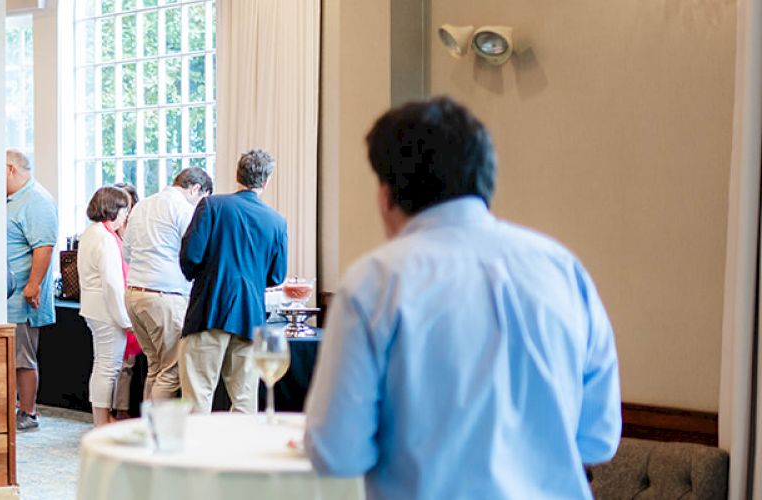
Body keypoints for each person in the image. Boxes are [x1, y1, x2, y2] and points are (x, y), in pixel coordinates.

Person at [306, 98, 620, 499]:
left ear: (386, 196)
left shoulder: (375, 282)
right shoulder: (562, 269)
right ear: (485, 180)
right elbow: (600, 438)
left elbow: (338, 454)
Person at [177, 150, 288, 413]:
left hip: (209, 309)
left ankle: (196, 453)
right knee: (245, 399)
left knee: (197, 395)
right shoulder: (277, 221)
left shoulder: (212, 206)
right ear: (266, 181)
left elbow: (190, 256)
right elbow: (276, 276)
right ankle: (240, 452)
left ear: (237, 174)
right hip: (250, 316)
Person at [121, 168, 212, 403]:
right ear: (194, 189)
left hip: (134, 293)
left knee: (155, 366)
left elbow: (127, 253)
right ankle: (158, 432)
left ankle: (147, 428)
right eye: (203, 198)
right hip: (164, 296)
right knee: (172, 370)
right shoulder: (183, 209)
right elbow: (195, 253)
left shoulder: (142, 205)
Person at [5, 148, 60, 431]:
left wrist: (33, 285)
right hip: (5, 295)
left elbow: (43, 247)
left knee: (22, 356)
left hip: (23, 296)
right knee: (9, 355)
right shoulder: (11, 199)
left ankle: (28, 412)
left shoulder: (36, 200)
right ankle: (12, 406)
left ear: (10, 169)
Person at [77, 186, 135, 426]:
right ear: (113, 209)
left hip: (94, 308)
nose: (125, 216)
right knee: (107, 368)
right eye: (123, 210)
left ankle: (101, 419)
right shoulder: (105, 239)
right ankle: (101, 422)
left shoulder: (92, 232)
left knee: (102, 365)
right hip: (106, 311)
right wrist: (125, 319)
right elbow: (112, 283)